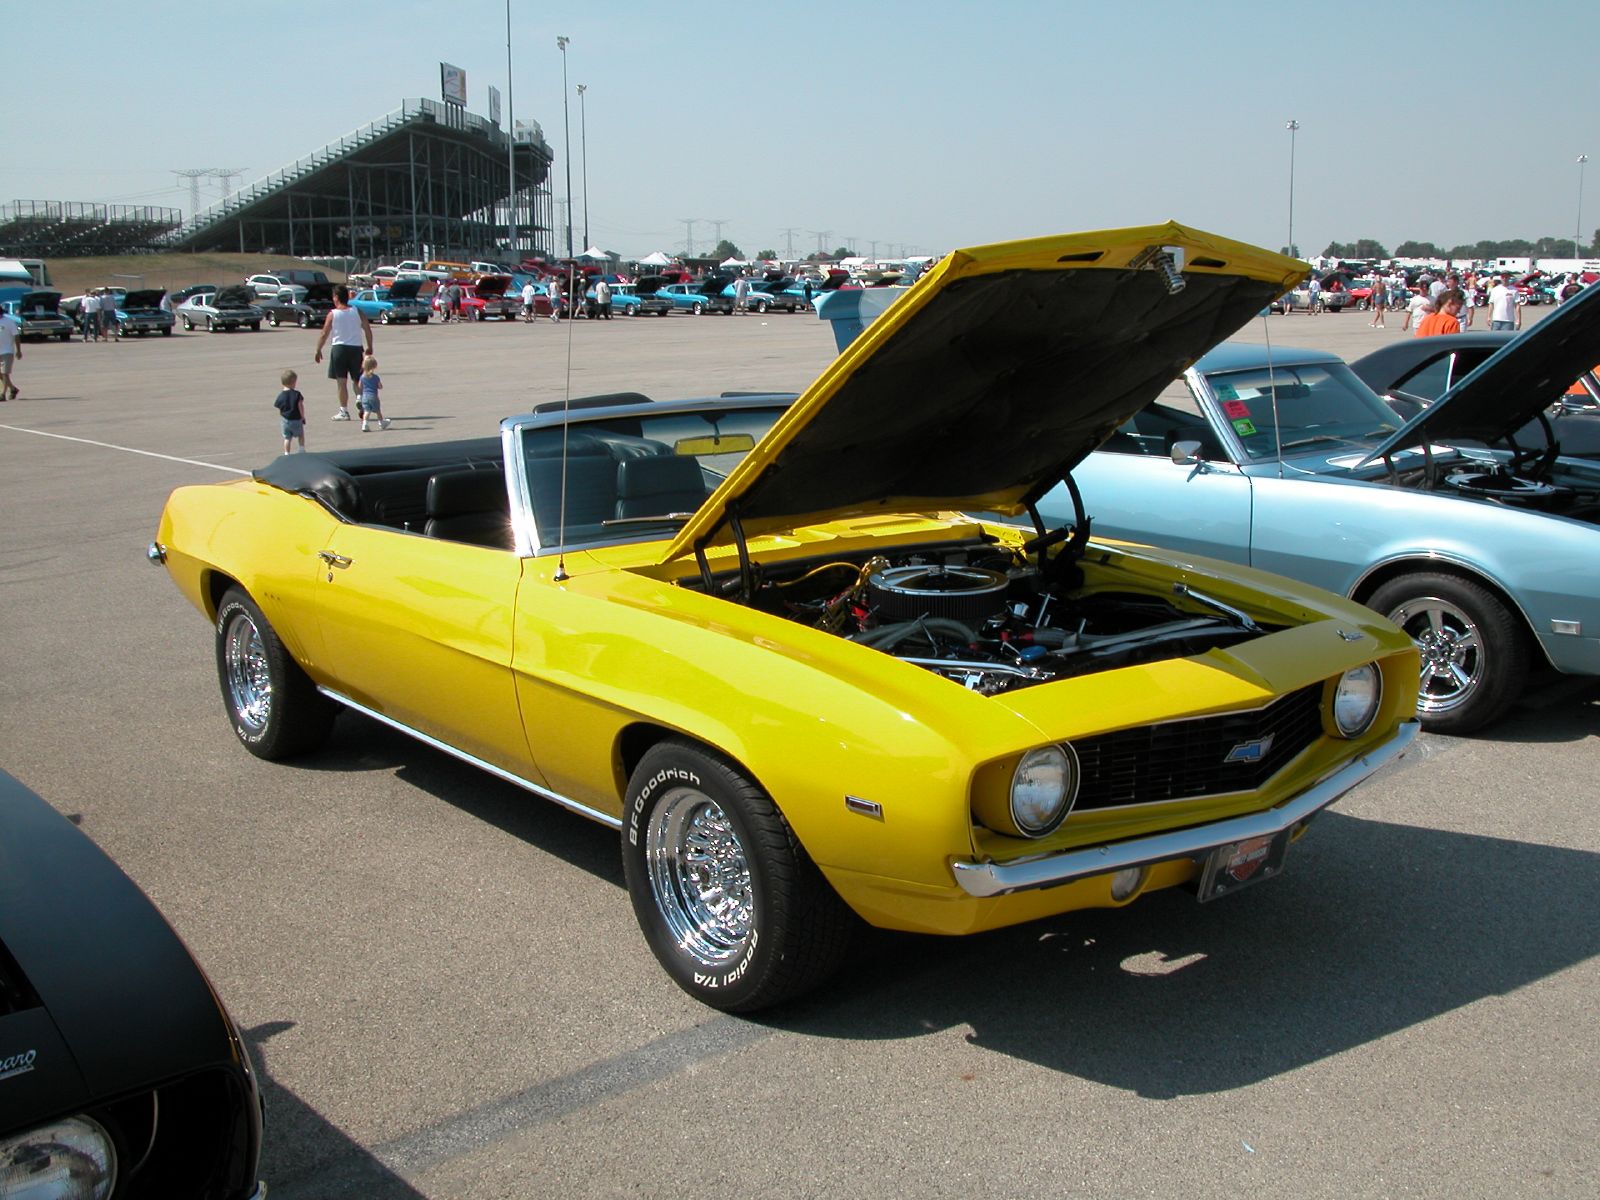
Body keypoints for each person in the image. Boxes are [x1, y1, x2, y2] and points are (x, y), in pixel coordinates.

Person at [312, 285, 374, 420]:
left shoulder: (333, 314)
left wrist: (318, 349)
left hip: (339, 349)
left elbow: (324, 333)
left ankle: (344, 411)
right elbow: (367, 329)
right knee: (357, 379)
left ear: (336, 297)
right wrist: (369, 346)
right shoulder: (357, 311)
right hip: (356, 348)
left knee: (341, 382)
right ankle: (359, 398)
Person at [274, 369, 307, 454]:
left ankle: (286, 453)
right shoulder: (297, 394)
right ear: (293, 382)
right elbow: (300, 406)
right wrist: (302, 416)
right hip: (296, 419)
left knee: (287, 438)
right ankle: (301, 449)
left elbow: (279, 407)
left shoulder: (281, 396)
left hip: (285, 420)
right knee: (300, 435)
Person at [356, 355, 390, 432]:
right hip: (373, 396)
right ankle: (381, 422)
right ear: (374, 366)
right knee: (378, 410)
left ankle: (365, 424)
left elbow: (359, 386)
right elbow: (380, 386)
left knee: (367, 411)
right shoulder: (375, 377)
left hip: (365, 396)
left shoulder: (362, 377)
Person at [0, 305, 22, 401]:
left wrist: (18, 350)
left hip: (7, 351)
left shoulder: (8, 322)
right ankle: (13, 389)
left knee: (5, 373)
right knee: (1, 373)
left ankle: (3, 394)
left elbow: (16, 336)